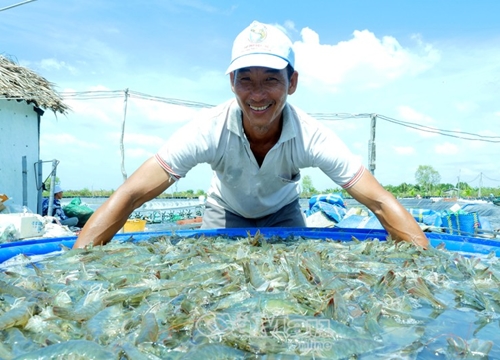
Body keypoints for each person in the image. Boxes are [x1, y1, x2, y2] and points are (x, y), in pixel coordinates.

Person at [74, 21, 429, 249]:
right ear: (231, 82)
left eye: (271, 79)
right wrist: (77, 263)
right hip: (225, 211)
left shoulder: (312, 136)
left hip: (283, 212)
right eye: (246, 79)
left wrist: (427, 262)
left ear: (292, 83)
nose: (257, 95)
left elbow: (380, 202)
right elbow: (131, 194)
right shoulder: (207, 130)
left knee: (294, 282)